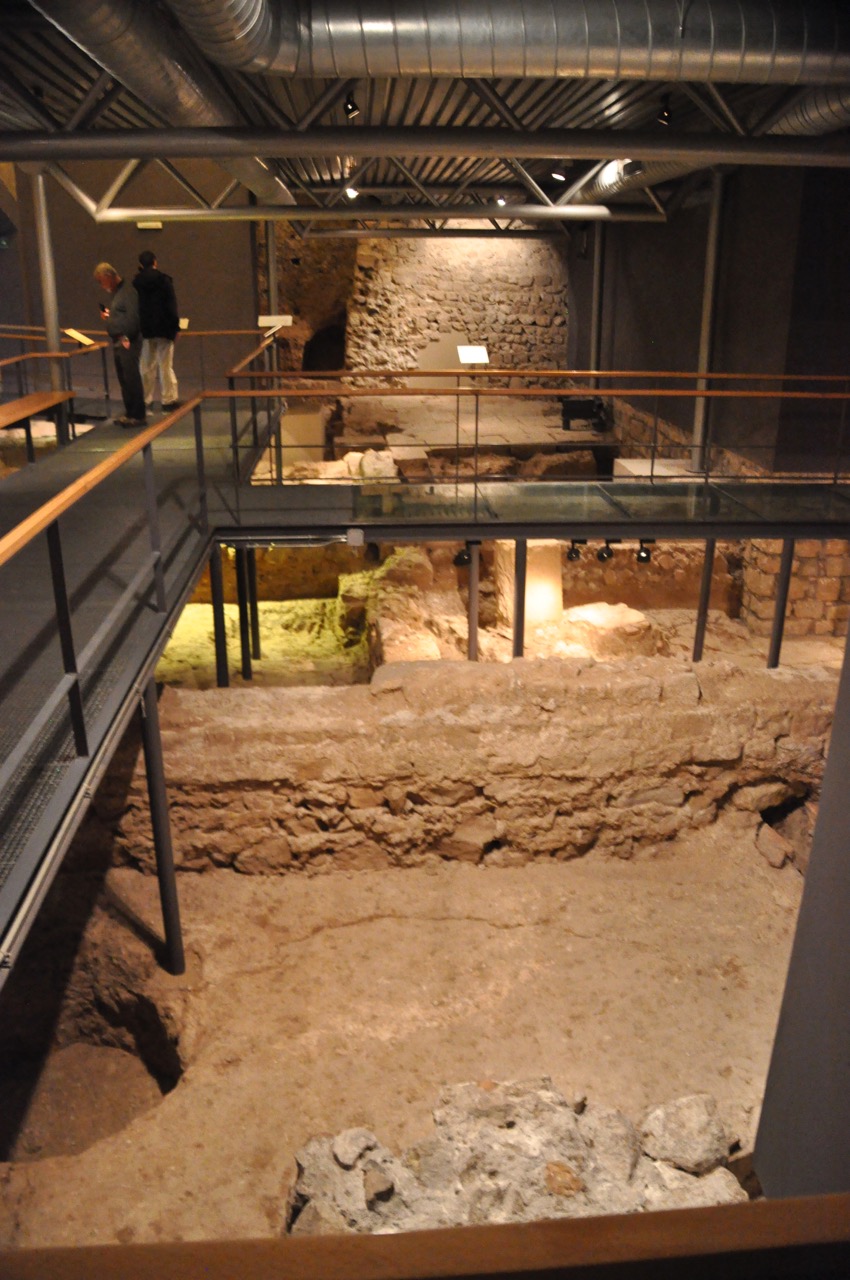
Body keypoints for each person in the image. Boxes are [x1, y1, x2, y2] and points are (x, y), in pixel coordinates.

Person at [93, 261, 146, 427]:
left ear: (109, 276)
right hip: (119, 340)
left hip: (127, 340)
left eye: (101, 281)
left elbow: (133, 318)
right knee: (124, 379)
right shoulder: (118, 293)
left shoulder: (128, 292)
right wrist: (110, 317)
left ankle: (138, 415)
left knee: (131, 377)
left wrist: (125, 337)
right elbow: (122, 316)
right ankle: (130, 413)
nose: (101, 285)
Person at [133, 250, 181, 411]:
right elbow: (171, 305)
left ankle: (145, 399)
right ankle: (169, 400)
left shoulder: (137, 282)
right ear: (155, 262)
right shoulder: (164, 280)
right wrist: (175, 328)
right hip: (165, 328)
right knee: (165, 365)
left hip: (147, 329)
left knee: (146, 366)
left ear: (140, 264)